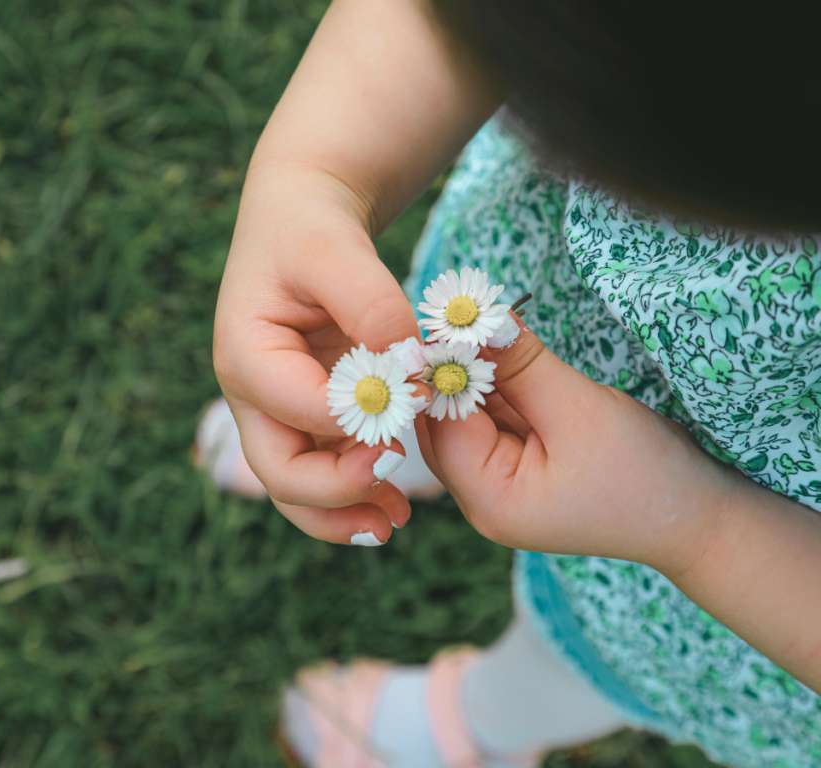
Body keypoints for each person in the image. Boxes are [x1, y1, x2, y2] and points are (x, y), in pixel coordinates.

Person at [206, 1, 821, 765]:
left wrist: (697, 527)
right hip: (526, 287)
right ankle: (405, 436)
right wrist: (312, 178)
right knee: (427, 388)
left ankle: (479, 723)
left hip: (741, 579)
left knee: (583, 653)